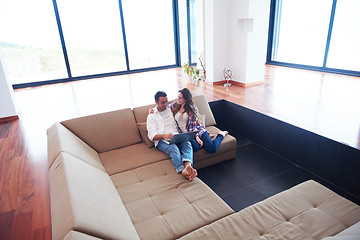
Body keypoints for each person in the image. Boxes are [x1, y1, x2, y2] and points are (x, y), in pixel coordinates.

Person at [147, 91, 197, 181]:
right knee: (173, 148)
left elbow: (183, 106)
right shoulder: (151, 116)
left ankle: (188, 167)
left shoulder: (170, 109)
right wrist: (166, 136)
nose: (165, 104)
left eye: (166, 101)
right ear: (156, 102)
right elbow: (151, 136)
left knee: (187, 143)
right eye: (163, 102)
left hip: (176, 136)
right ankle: (183, 171)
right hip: (163, 140)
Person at [169, 88, 228, 153]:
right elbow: (164, 107)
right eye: (178, 97)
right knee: (196, 147)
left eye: (180, 98)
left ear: (186, 99)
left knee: (211, 149)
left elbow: (192, 127)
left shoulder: (192, 109)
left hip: (197, 130)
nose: (178, 99)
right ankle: (207, 137)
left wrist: (197, 137)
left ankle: (221, 135)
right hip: (186, 135)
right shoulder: (175, 105)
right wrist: (155, 110)